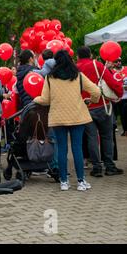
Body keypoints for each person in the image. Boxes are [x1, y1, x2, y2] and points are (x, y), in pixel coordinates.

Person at [34, 51, 101, 191]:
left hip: (58, 118)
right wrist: (91, 101)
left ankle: (64, 181)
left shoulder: (50, 78)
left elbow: (45, 100)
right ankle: (81, 181)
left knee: (62, 149)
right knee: (77, 148)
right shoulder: (78, 76)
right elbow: (96, 92)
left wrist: (36, 99)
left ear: (56, 61)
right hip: (77, 117)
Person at [76, 47, 124, 177]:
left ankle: (96, 167)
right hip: (103, 105)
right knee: (107, 136)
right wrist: (119, 94)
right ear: (90, 54)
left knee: (91, 138)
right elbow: (111, 82)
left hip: (85, 107)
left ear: (78, 56)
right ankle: (109, 166)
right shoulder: (97, 65)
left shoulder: (75, 68)